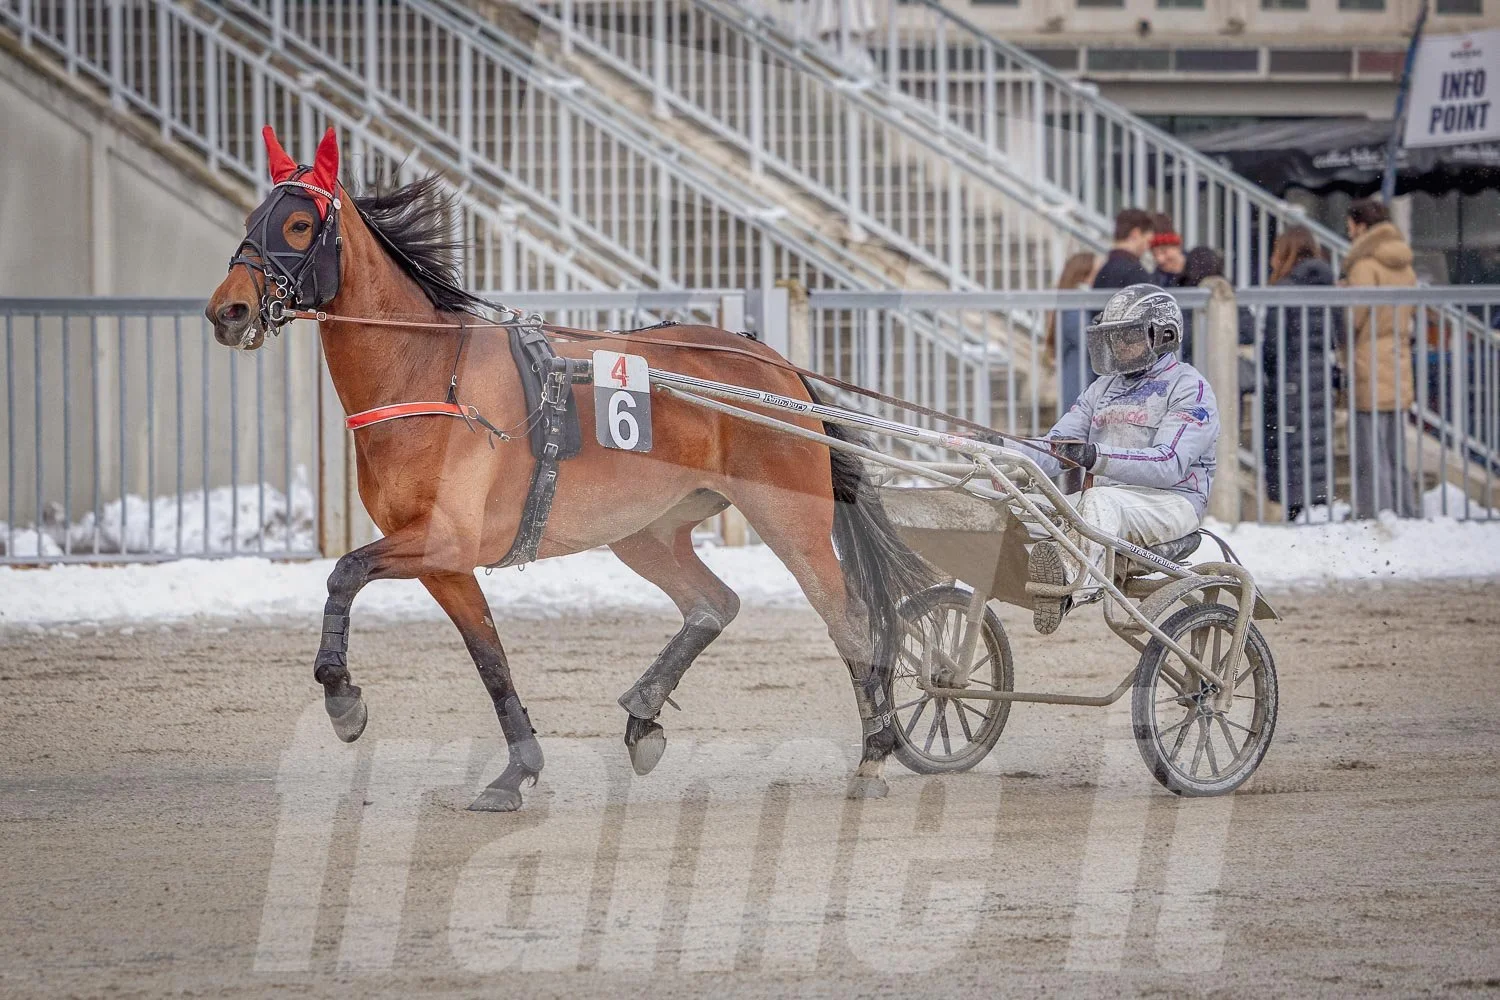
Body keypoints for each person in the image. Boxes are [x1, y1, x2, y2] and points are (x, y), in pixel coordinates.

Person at [1025, 284, 1219, 635]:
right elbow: (1055, 446)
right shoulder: (1102, 388)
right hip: (1108, 506)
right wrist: (1002, 450)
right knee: (1028, 506)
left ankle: (1070, 585)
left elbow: (1168, 463)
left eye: (1128, 337)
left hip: (1171, 502)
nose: (1119, 346)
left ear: (1164, 335)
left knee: (1100, 500)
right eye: (1114, 338)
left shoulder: (1190, 387)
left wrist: (1094, 456)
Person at [1259, 226, 1341, 521]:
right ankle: (1315, 506)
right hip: (1318, 376)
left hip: (1289, 379)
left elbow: (1273, 345)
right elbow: (1336, 334)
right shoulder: (1327, 287)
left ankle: (1295, 508)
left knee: (1289, 447)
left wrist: (1268, 376)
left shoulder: (1284, 290)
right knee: (1313, 444)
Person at [1342, 198, 1417, 518]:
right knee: (1394, 447)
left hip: (1368, 358)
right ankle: (1405, 509)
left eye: (1349, 225)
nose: (1347, 231)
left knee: (1368, 447)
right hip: (1397, 355)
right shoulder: (1404, 264)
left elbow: (1353, 318)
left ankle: (1375, 512)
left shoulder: (1364, 265)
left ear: (1360, 226)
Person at [1049, 251, 1101, 409]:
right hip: (1079, 388)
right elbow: (1088, 341)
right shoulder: (1074, 308)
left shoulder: (1074, 305)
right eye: (1097, 273)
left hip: (1080, 386)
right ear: (1084, 275)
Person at [1092, 208, 1155, 290]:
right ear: (1135, 234)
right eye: (1147, 241)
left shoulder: (1102, 272)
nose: (1147, 248)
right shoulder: (1135, 272)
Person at [1149, 212, 1186, 288]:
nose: (1160, 259)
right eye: (1154, 254)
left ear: (1177, 246)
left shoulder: (1197, 267)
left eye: (1164, 251)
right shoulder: (1153, 281)